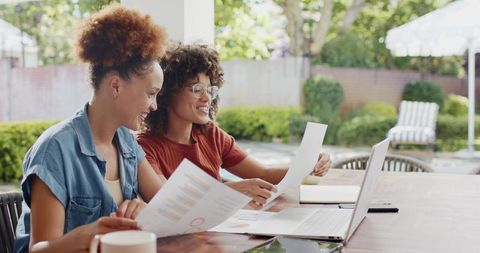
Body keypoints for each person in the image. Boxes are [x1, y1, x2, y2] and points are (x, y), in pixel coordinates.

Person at [14, 4, 168, 253]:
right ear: (116, 86)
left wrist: (146, 210)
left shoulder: (126, 143)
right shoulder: (55, 149)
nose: (155, 106)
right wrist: (87, 234)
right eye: (151, 94)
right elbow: (39, 249)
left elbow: (168, 204)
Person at [137, 44, 331, 209]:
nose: (207, 98)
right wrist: (228, 191)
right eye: (196, 89)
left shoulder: (211, 135)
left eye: (210, 89)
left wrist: (307, 165)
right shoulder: (146, 148)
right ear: (167, 93)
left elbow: (263, 174)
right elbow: (166, 201)